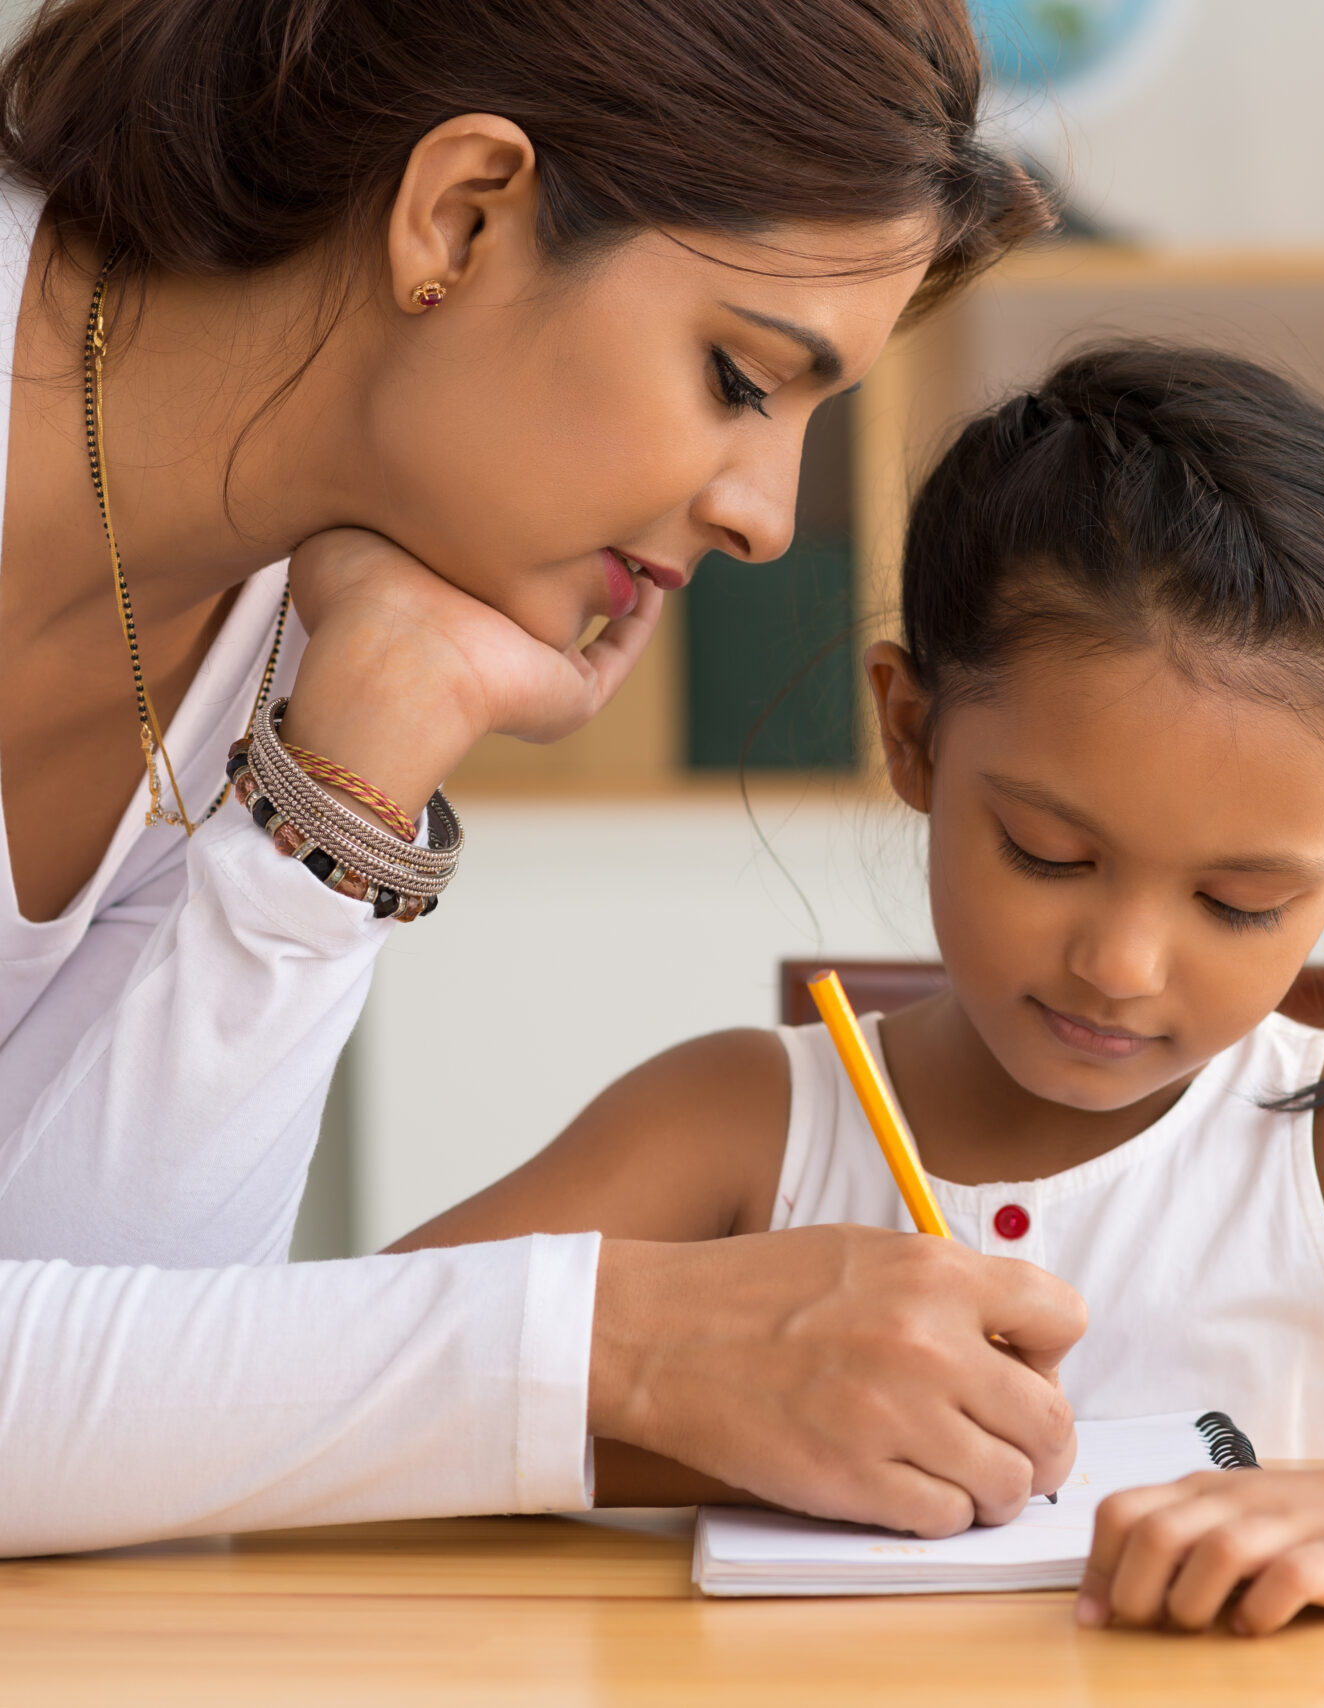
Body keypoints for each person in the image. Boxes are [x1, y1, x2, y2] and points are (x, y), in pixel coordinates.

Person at [402, 344, 1324, 1634]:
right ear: (912, 733)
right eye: (1048, 854)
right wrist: (697, 1413)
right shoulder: (739, 1123)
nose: (1122, 964)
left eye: (1238, 903)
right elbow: (356, 1376)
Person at [0, 0, 1089, 1557]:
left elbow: (114, 1411)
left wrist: (350, 781)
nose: (767, 517)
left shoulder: (292, 599)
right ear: (462, 214)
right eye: (739, 379)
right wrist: (618, 1344)